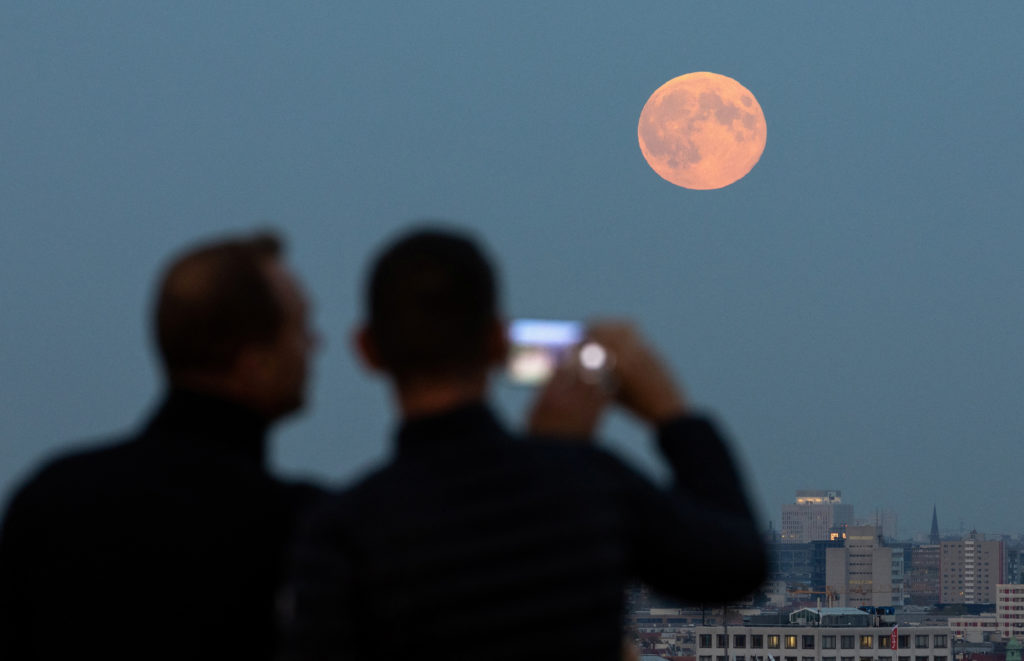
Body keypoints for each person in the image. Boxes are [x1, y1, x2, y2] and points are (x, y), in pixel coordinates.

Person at [279, 227, 766, 661]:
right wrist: (672, 414)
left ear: (367, 349)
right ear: (497, 341)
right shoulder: (590, 485)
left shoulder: (344, 530)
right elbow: (735, 565)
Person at [0, 231, 322, 660]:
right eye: (300, 328)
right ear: (254, 360)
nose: (314, 345)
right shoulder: (301, 530)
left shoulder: (48, 500)